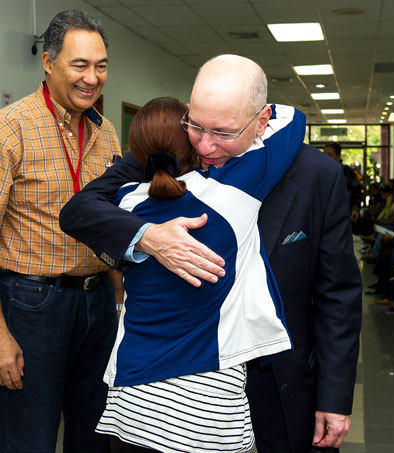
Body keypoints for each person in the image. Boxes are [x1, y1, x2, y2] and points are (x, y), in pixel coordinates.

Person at [60, 55, 362, 453]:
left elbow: (337, 295)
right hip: (187, 399)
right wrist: (147, 235)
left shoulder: (316, 175)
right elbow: (80, 210)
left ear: (260, 120)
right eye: (196, 126)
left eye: (222, 133)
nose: (204, 145)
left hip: (280, 386)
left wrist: (335, 398)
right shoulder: (167, 151)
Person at [93, 95, 304, 453]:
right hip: (205, 403)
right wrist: (216, 124)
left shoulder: (124, 202)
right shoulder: (230, 194)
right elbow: (290, 118)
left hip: (132, 399)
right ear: (193, 144)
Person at [0, 9, 124, 453]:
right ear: (48, 62)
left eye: (101, 65)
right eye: (80, 65)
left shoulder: (106, 133)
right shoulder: (10, 127)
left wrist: (120, 287)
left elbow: (110, 217)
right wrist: (0, 337)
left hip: (97, 304)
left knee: (95, 435)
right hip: (32, 305)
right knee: (29, 438)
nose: (92, 78)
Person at [323, 142, 363, 224]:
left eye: (330, 155)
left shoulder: (347, 172)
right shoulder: (319, 172)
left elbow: (357, 192)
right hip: (323, 215)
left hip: (344, 214)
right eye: (324, 154)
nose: (326, 158)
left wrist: (355, 209)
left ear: (338, 157)